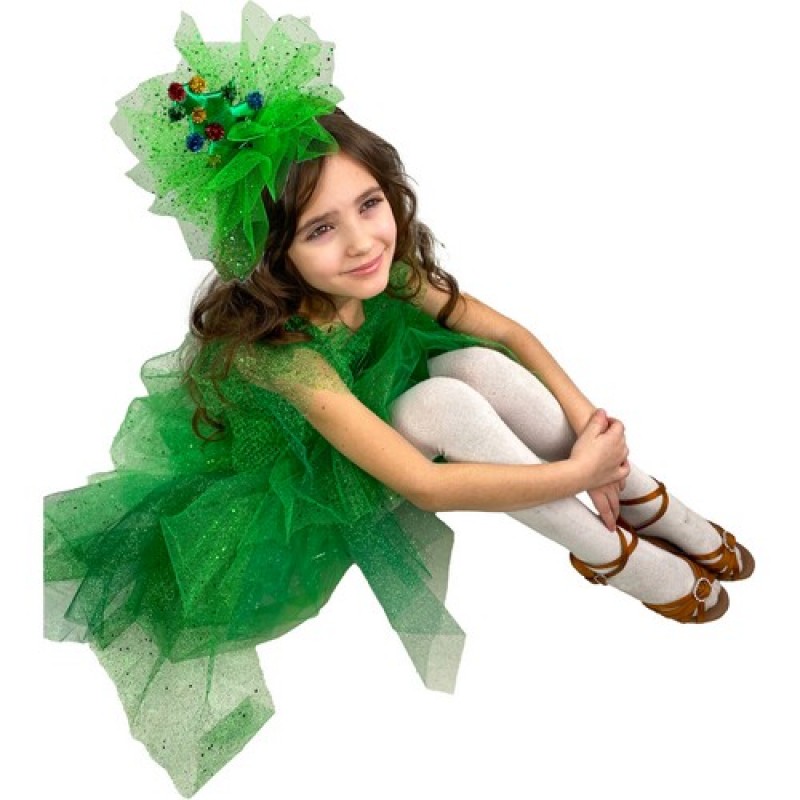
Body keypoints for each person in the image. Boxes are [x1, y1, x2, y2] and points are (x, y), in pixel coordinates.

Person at [44, 4, 754, 796]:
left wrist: (606, 451)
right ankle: (614, 557)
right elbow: (424, 485)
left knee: (477, 365)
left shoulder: (389, 274)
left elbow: (509, 333)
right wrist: (575, 472)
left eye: (369, 205)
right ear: (274, 255)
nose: (362, 243)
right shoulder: (283, 357)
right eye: (319, 231)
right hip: (298, 501)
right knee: (438, 406)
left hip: (428, 429)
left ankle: (646, 500)